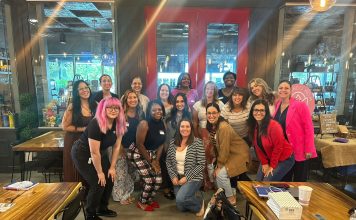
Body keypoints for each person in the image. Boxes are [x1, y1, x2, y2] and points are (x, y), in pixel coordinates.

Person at [71, 97, 126, 220]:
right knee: (98, 182)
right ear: (103, 109)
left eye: (116, 107)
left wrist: (112, 167)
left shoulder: (119, 123)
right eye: (110, 107)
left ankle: (102, 208)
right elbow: (94, 152)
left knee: (110, 178)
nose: (113, 110)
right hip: (83, 153)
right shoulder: (96, 123)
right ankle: (90, 214)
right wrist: (100, 172)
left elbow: (117, 147)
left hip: (100, 152)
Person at [206, 103, 250, 205]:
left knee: (220, 174)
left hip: (238, 154)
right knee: (215, 173)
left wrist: (219, 165)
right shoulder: (214, 125)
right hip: (230, 153)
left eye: (214, 113)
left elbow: (224, 148)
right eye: (209, 113)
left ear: (219, 113)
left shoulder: (223, 127)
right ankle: (224, 194)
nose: (211, 115)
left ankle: (231, 198)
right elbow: (219, 146)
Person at [273, 80, 317, 181]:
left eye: (286, 88)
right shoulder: (277, 104)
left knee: (299, 180)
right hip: (284, 150)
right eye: (280, 88)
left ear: (291, 90)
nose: (283, 90)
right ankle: (285, 197)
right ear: (277, 90)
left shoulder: (300, 105)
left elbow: (309, 128)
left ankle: (298, 197)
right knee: (284, 178)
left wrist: (309, 148)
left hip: (299, 148)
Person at [127, 100, 166, 211]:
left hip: (152, 154)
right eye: (154, 110)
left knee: (158, 180)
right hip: (137, 153)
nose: (157, 112)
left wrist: (156, 161)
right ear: (149, 111)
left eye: (159, 109)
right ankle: (142, 201)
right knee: (149, 180)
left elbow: (161, 143)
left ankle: (149, 199)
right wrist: (151, 161)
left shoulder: (162, 123)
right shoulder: (144, 123)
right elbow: (139, 144)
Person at [247, 99, 294, 181]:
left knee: (266, 182)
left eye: (262, 110)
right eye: (256, 110)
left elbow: (278, 147)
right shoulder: (254, 125)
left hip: (284, 158)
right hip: (269, 157)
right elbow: (258, 148)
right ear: (252, 111)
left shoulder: (274, 126)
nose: (258, 113)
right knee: (258, 182)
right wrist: (264, 163)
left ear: (266, 112)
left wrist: (272, 166)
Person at [166, 119, 205, 217]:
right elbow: (168, 161)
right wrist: (173, 176)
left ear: (191, 129)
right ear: (179, 128)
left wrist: (187, 177)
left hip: (193, 177)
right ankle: (191, 196)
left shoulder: (197, 142)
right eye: (182, 126)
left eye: (187, 126)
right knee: (181, 207)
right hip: (177, 178)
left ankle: (200, 205)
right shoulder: (172, 142)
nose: (185, 129)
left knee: (180, 199)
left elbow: (201, 164)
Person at [112, 89, 145, 204]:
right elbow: (115, 132)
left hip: (135, 150)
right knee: (121, 173)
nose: (132, 100)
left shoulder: (141, 114)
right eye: (129, 98)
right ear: (125, 100)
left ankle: (126, 193)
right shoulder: (121, 114)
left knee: (132, 174)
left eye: (134, 97)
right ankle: (120, 197)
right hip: (120, 148)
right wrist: (120, 147)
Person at [192, 81, 224, 190]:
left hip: (216, 133)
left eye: (212, 89)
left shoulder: (220, 104)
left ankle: (216, 181)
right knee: (204, 159)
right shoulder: (198, 104)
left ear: (215, 91)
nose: (209, 91)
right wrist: (197, 137)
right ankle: (206, 182)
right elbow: (195, 123)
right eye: (207, 89)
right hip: (202, 134)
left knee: (216, 157)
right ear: (204, 90)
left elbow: (223, 120)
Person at [62, 80, 94, 182]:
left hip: (89, 141)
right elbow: (65, 126)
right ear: (77, 92)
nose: (85, 90)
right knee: (76, 169)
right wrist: (82, 129)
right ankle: (78, 195)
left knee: (89, 169)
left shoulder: (95, 104)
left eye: (86, 87)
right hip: (74, 140)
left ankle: (89, 195)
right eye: (81, 89)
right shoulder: (73, 107)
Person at [163, 93, 192, 200]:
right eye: (177, 102)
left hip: (183, 147)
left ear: (185, 102)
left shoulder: (189, 115)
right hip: (169, 146)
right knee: (168, 167)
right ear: (174, 103)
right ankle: (167, 188)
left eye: (182, 101)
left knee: (179, 167)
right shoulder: (169, 116)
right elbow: (166, 133)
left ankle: (182, 186)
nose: (179, 104)